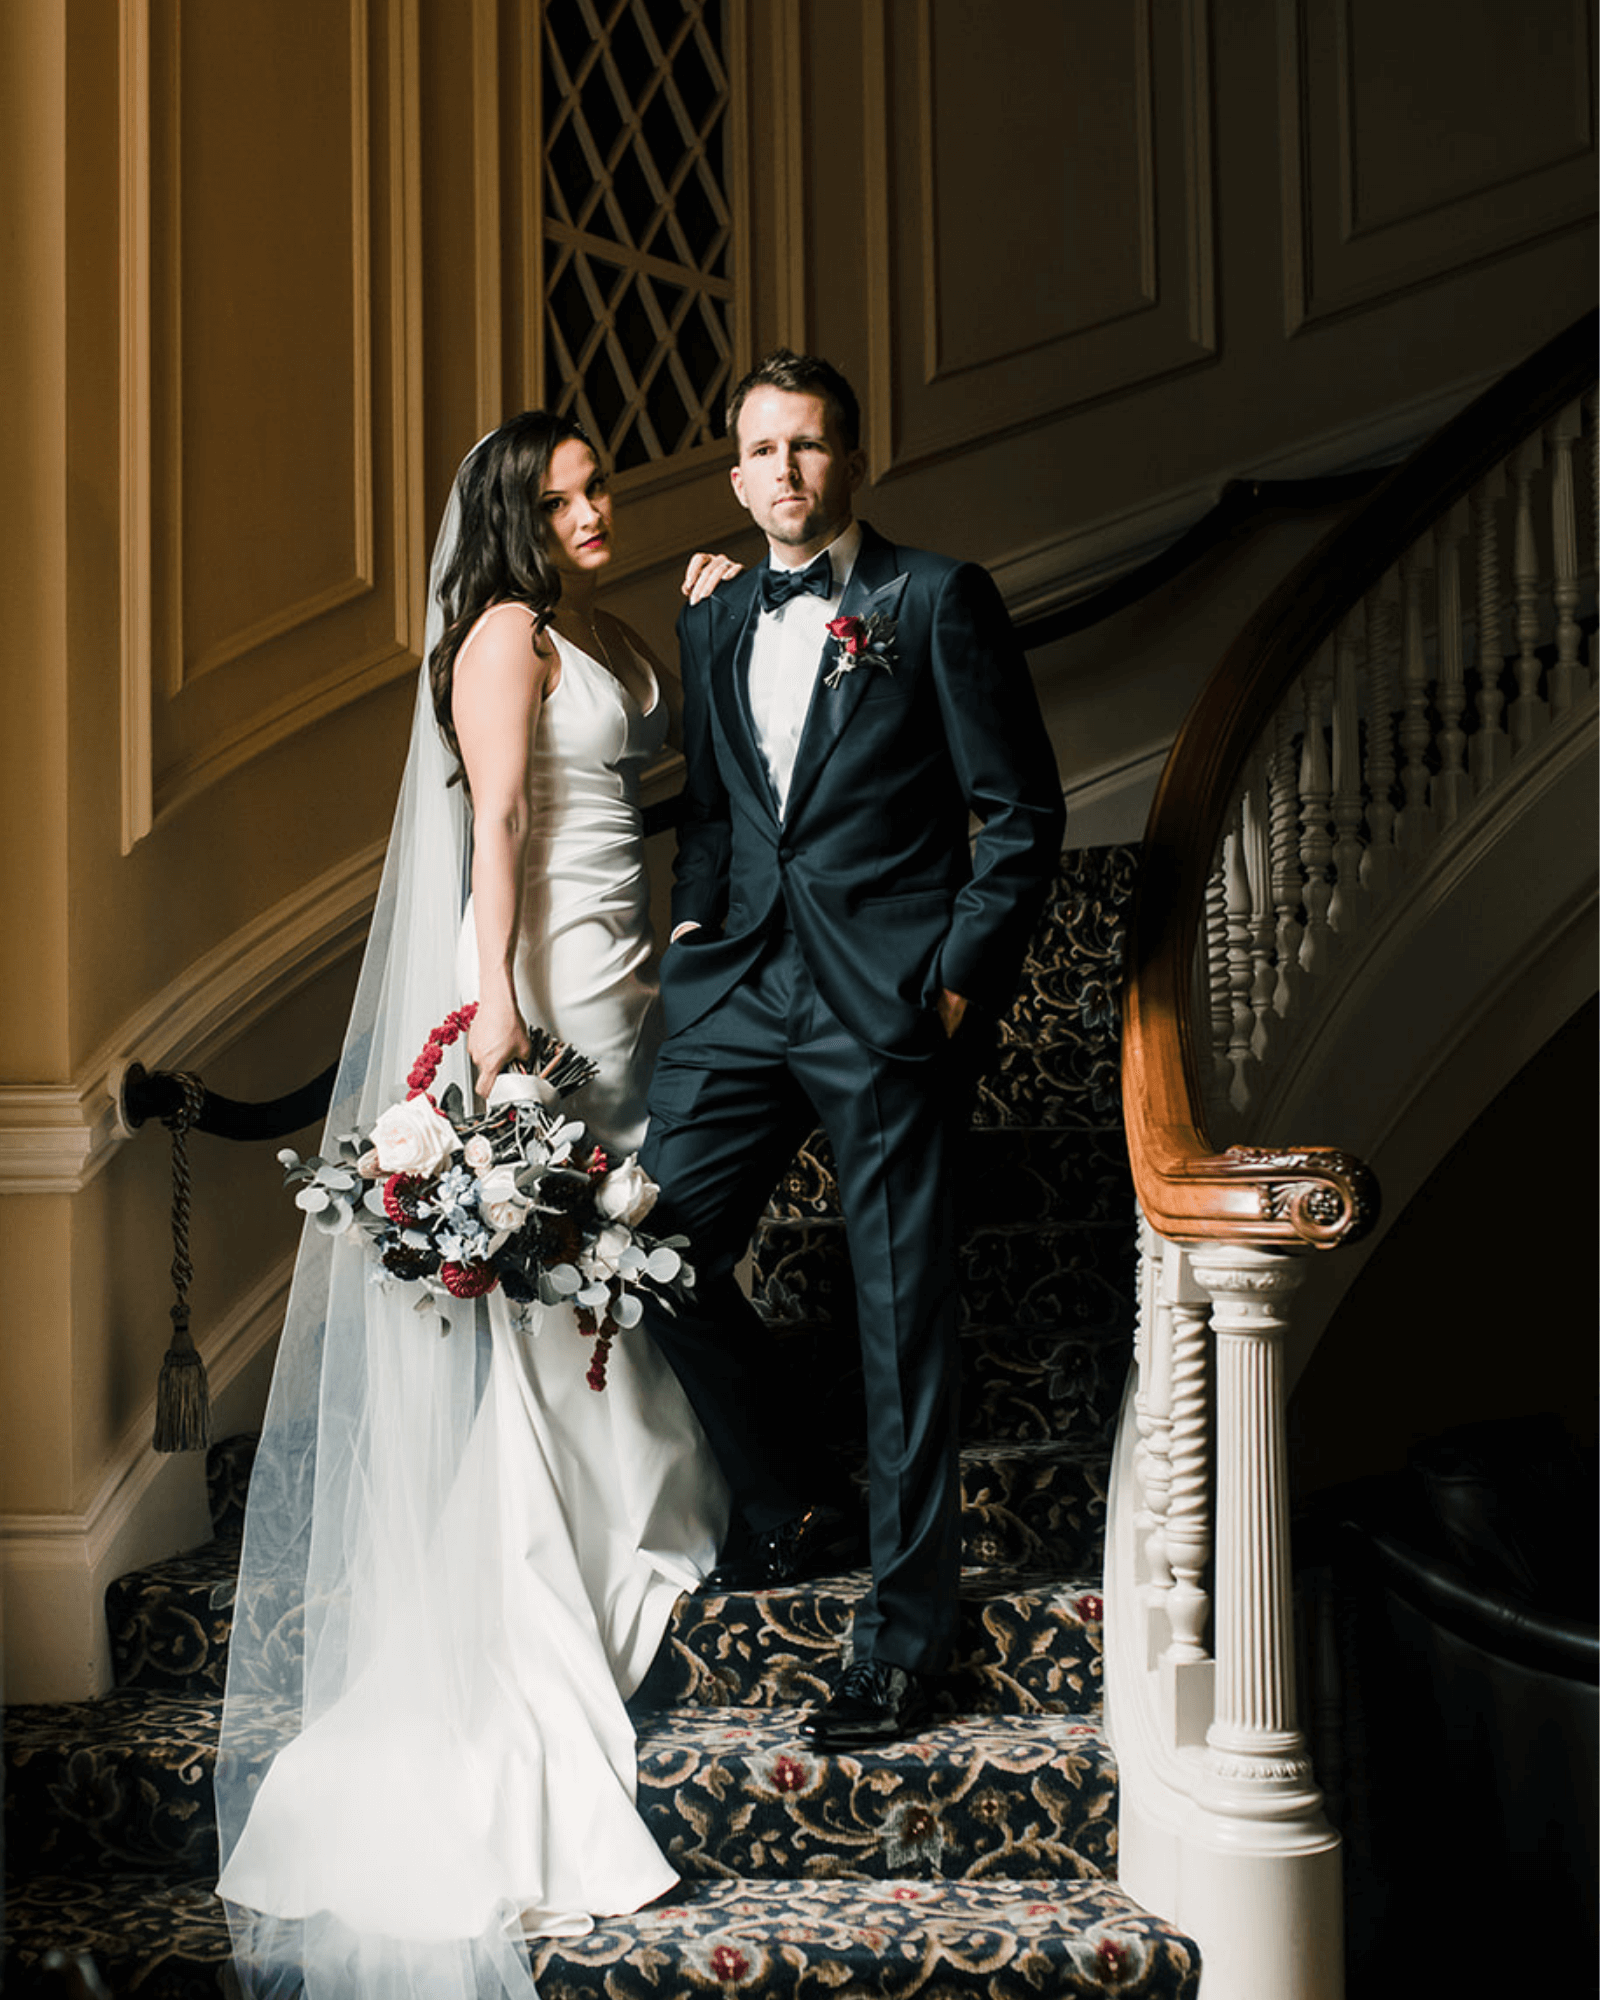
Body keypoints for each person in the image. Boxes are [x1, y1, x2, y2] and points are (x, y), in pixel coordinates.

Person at [214, 411, 737, 2000]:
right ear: (514, 517)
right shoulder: (503, 636)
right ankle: (556, 1567)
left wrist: (706, 625)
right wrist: (496, 1005)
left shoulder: (608, 628)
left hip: (628, 971)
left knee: (622, 1259)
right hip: (545, 985)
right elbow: (498, 821)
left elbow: (665, 759)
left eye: (601, 487)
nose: (595, 510)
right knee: (577, 1275)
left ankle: (645, 1505)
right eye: (565, 496)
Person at [640, 349, 1066, 1750]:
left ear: (854, 458)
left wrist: (950, 992)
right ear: (734, 468)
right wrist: (700, 933)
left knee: (900, 1316)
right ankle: (788, 1498)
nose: (784, 473)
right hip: (739, 995)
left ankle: (906, 1636)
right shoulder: (711, 620)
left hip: (884, 1007)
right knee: (649, 1252)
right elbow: (713, 807)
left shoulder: (932, 599)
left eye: (809, 447)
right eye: (760, 450)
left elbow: (1020, 815)